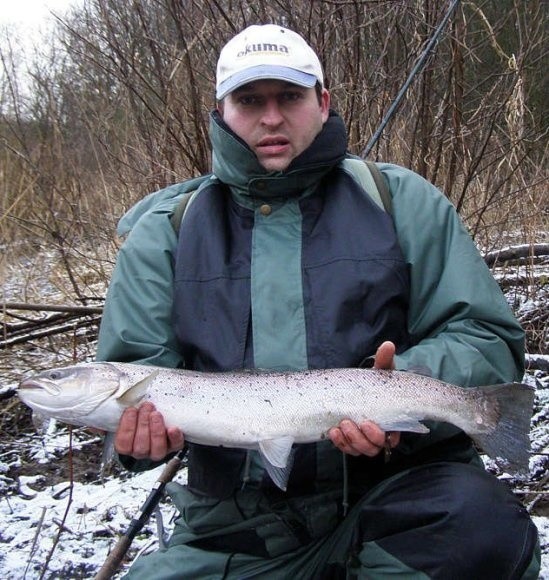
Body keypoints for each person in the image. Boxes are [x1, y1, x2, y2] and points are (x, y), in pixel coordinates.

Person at [96, 24, 540, 579]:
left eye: (291, 97)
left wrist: (399, 389)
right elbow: (137, 372)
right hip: (233, 530)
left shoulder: (403, 202)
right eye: (250, 100)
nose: (272, 117)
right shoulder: (163, 233)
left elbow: (484, 335)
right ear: (221, 111)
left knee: (484, 535)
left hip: (401, 498)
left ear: (323, 101)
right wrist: (138, 441)